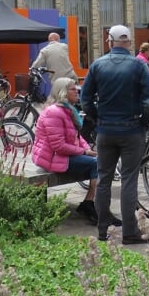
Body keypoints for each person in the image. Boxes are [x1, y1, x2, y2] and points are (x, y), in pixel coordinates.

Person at [79, 24, 149, 244]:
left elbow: (85, 100)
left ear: (110, 42)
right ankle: (129, 232)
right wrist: (143, 123)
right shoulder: (138, 66)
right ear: (129, 42)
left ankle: (103, 230)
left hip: (105, 130)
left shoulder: (97, 65)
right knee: (129, 180)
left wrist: (96, 120)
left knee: (103, 180)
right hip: (132, 130)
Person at [31, 78, 101, 224]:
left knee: (98, 161)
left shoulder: (67, 109)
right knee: (96, 164)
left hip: (61, 155)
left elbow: (77, 136)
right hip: (51, 157)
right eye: (72, 89)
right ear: (62, 92)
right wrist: (83, 152)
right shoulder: (54, 112)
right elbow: (58, 146)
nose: (77, 91)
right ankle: (89, 203)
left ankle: (90, 202)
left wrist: (87, 148)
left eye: (76, 88)